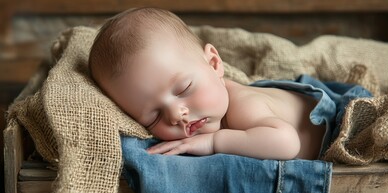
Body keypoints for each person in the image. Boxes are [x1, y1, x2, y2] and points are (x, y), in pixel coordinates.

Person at [89, 7, 368, 160]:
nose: (176, 114)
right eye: (153, 115)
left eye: (184, 89)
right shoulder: (207, 109)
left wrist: (213, 142)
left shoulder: (244, 106)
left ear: (214, 64)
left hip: (336, 120)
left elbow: (286, 143)